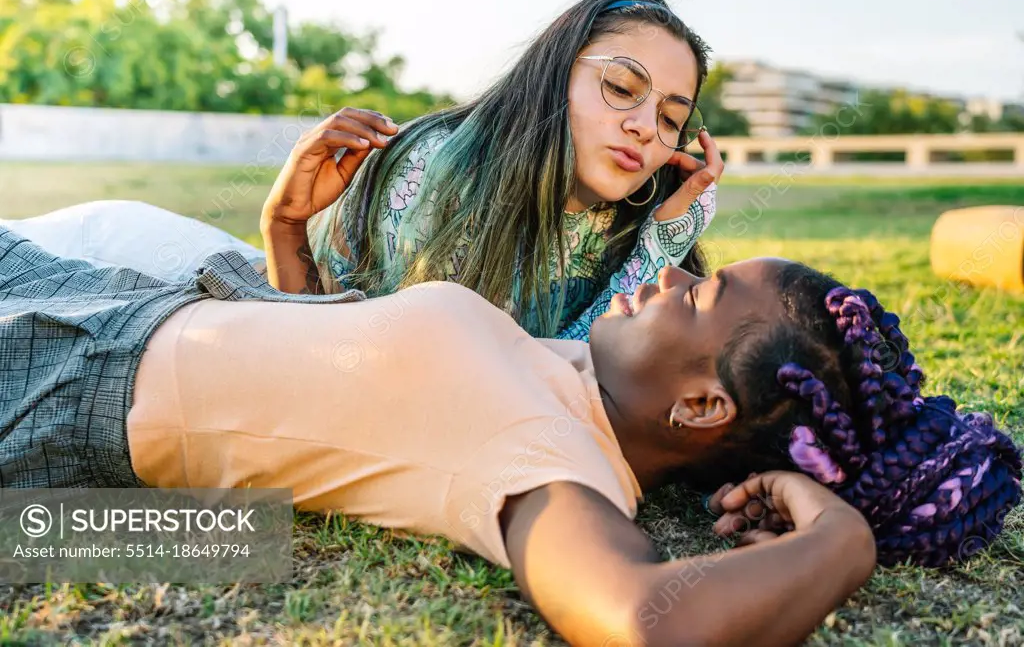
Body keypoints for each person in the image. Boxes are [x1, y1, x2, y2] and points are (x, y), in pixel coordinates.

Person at [1, 225, 1019, 646]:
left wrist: (845, 541)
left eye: (695, 291)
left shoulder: (549, 454)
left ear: (703, 406)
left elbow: (644, 618)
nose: (670, 273)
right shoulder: (568, 373)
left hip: (56, 386)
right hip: (100, 302)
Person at [5, 0, 722, 342]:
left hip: (248, 313)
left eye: (670, 116)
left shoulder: (633, 218)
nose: (644, 127)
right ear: (554, 73)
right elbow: (530, 376)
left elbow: (585, 373)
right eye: (623, 87)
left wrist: (662, 239)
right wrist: (284, 226)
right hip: (164, 270)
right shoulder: (445, 170)